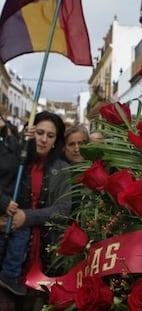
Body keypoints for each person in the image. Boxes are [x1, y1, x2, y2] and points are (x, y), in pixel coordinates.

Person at [0, 111, 71, 309]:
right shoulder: (17, 161)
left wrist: (27, 217)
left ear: (56, 140)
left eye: (50, 135)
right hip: (9, 255)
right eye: (39, 133)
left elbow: (63, 210)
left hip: (44, 257)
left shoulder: (63, 169)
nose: (43, 139)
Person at [0, 113, 27, 297]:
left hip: (10, 208)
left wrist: (29, 140)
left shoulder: (9, 142)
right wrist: (3, 203)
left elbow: (23, 160)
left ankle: (9, 275)